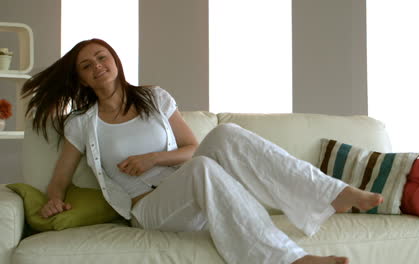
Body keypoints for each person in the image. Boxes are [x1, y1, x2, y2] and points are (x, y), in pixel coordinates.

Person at [22, 38, 383, 264]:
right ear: (82, 79)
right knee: (202, 169)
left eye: (102, 57)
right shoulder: (82, 122)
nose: (97, 66)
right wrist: (53, 199)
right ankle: (289, 261)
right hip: (149, 209)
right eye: (87, 65)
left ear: (115, 60)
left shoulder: (154, 98)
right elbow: (60, 179)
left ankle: (331, 192)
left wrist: (153, 158)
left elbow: (193, 147)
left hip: (191, 193)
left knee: (224, 134)